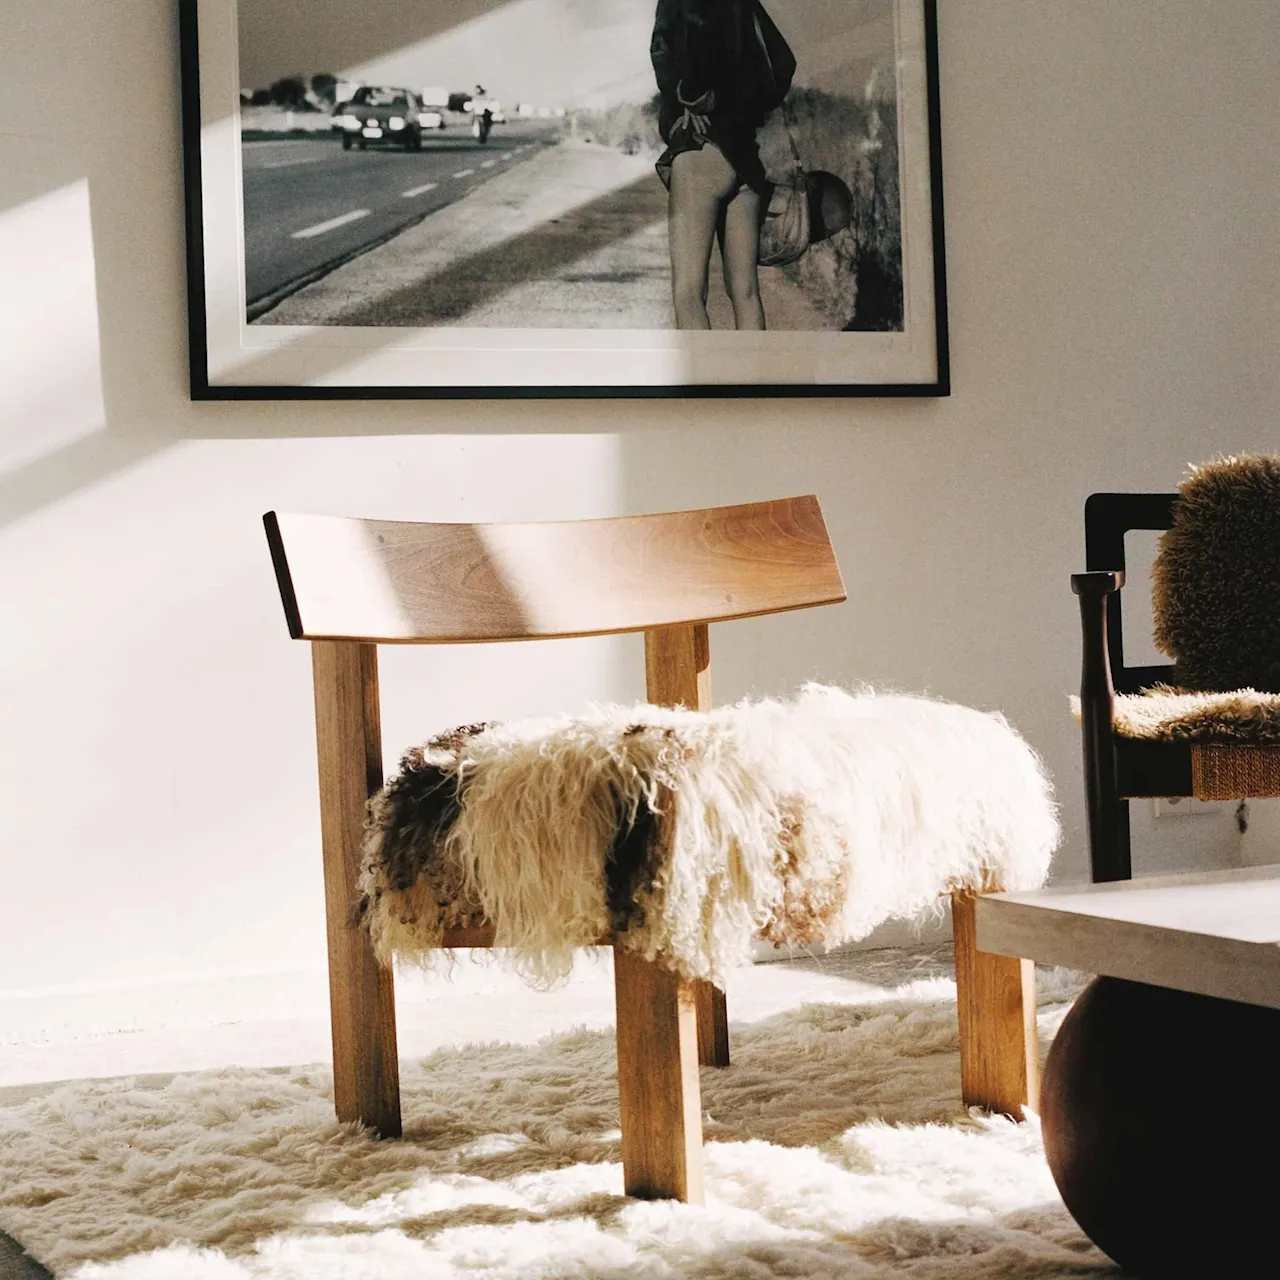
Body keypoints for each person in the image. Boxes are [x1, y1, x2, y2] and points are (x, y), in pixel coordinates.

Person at [651, 0, 795, 330]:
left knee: (688, 295)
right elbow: (784, 64)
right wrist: (739, 109)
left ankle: (708, 382)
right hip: (745, 159)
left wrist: (692, 95)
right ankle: (755, 381)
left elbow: (671, 51)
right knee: (746, 295)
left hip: (702, 153)